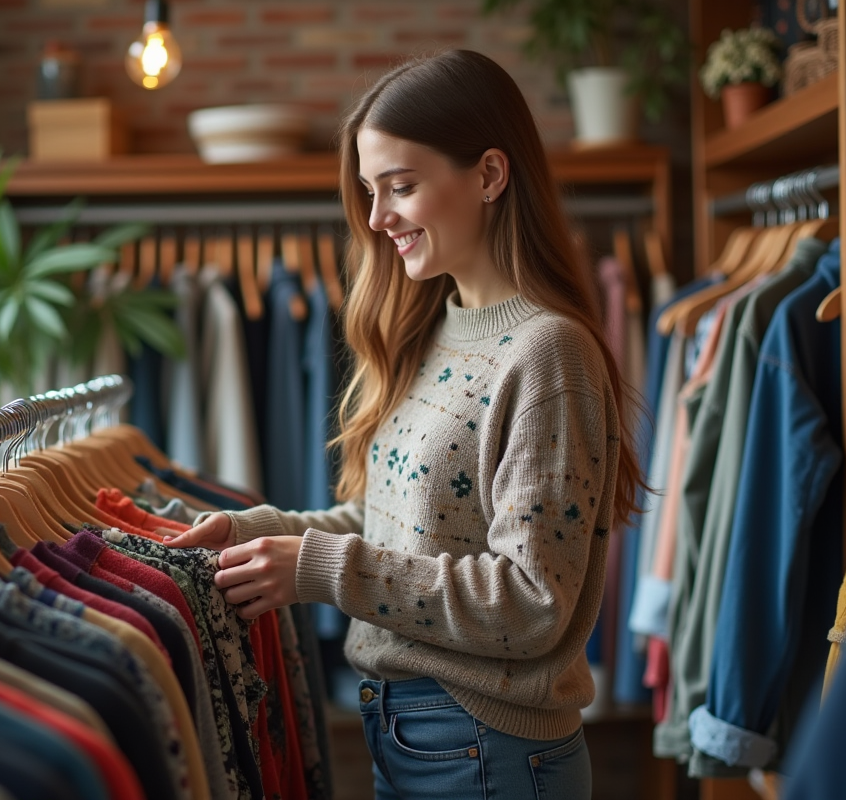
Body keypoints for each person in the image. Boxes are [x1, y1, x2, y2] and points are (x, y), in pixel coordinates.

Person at [166, 48, 643, 800]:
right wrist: (262, 533)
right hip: (416, 734)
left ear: (489, 175)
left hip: (488, 747)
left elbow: (530, 603)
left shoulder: (548, 353)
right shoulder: (433, 327)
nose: (378, 217)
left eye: (402, 187)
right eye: (369, 191)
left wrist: (317, 570)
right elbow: (398, 529)